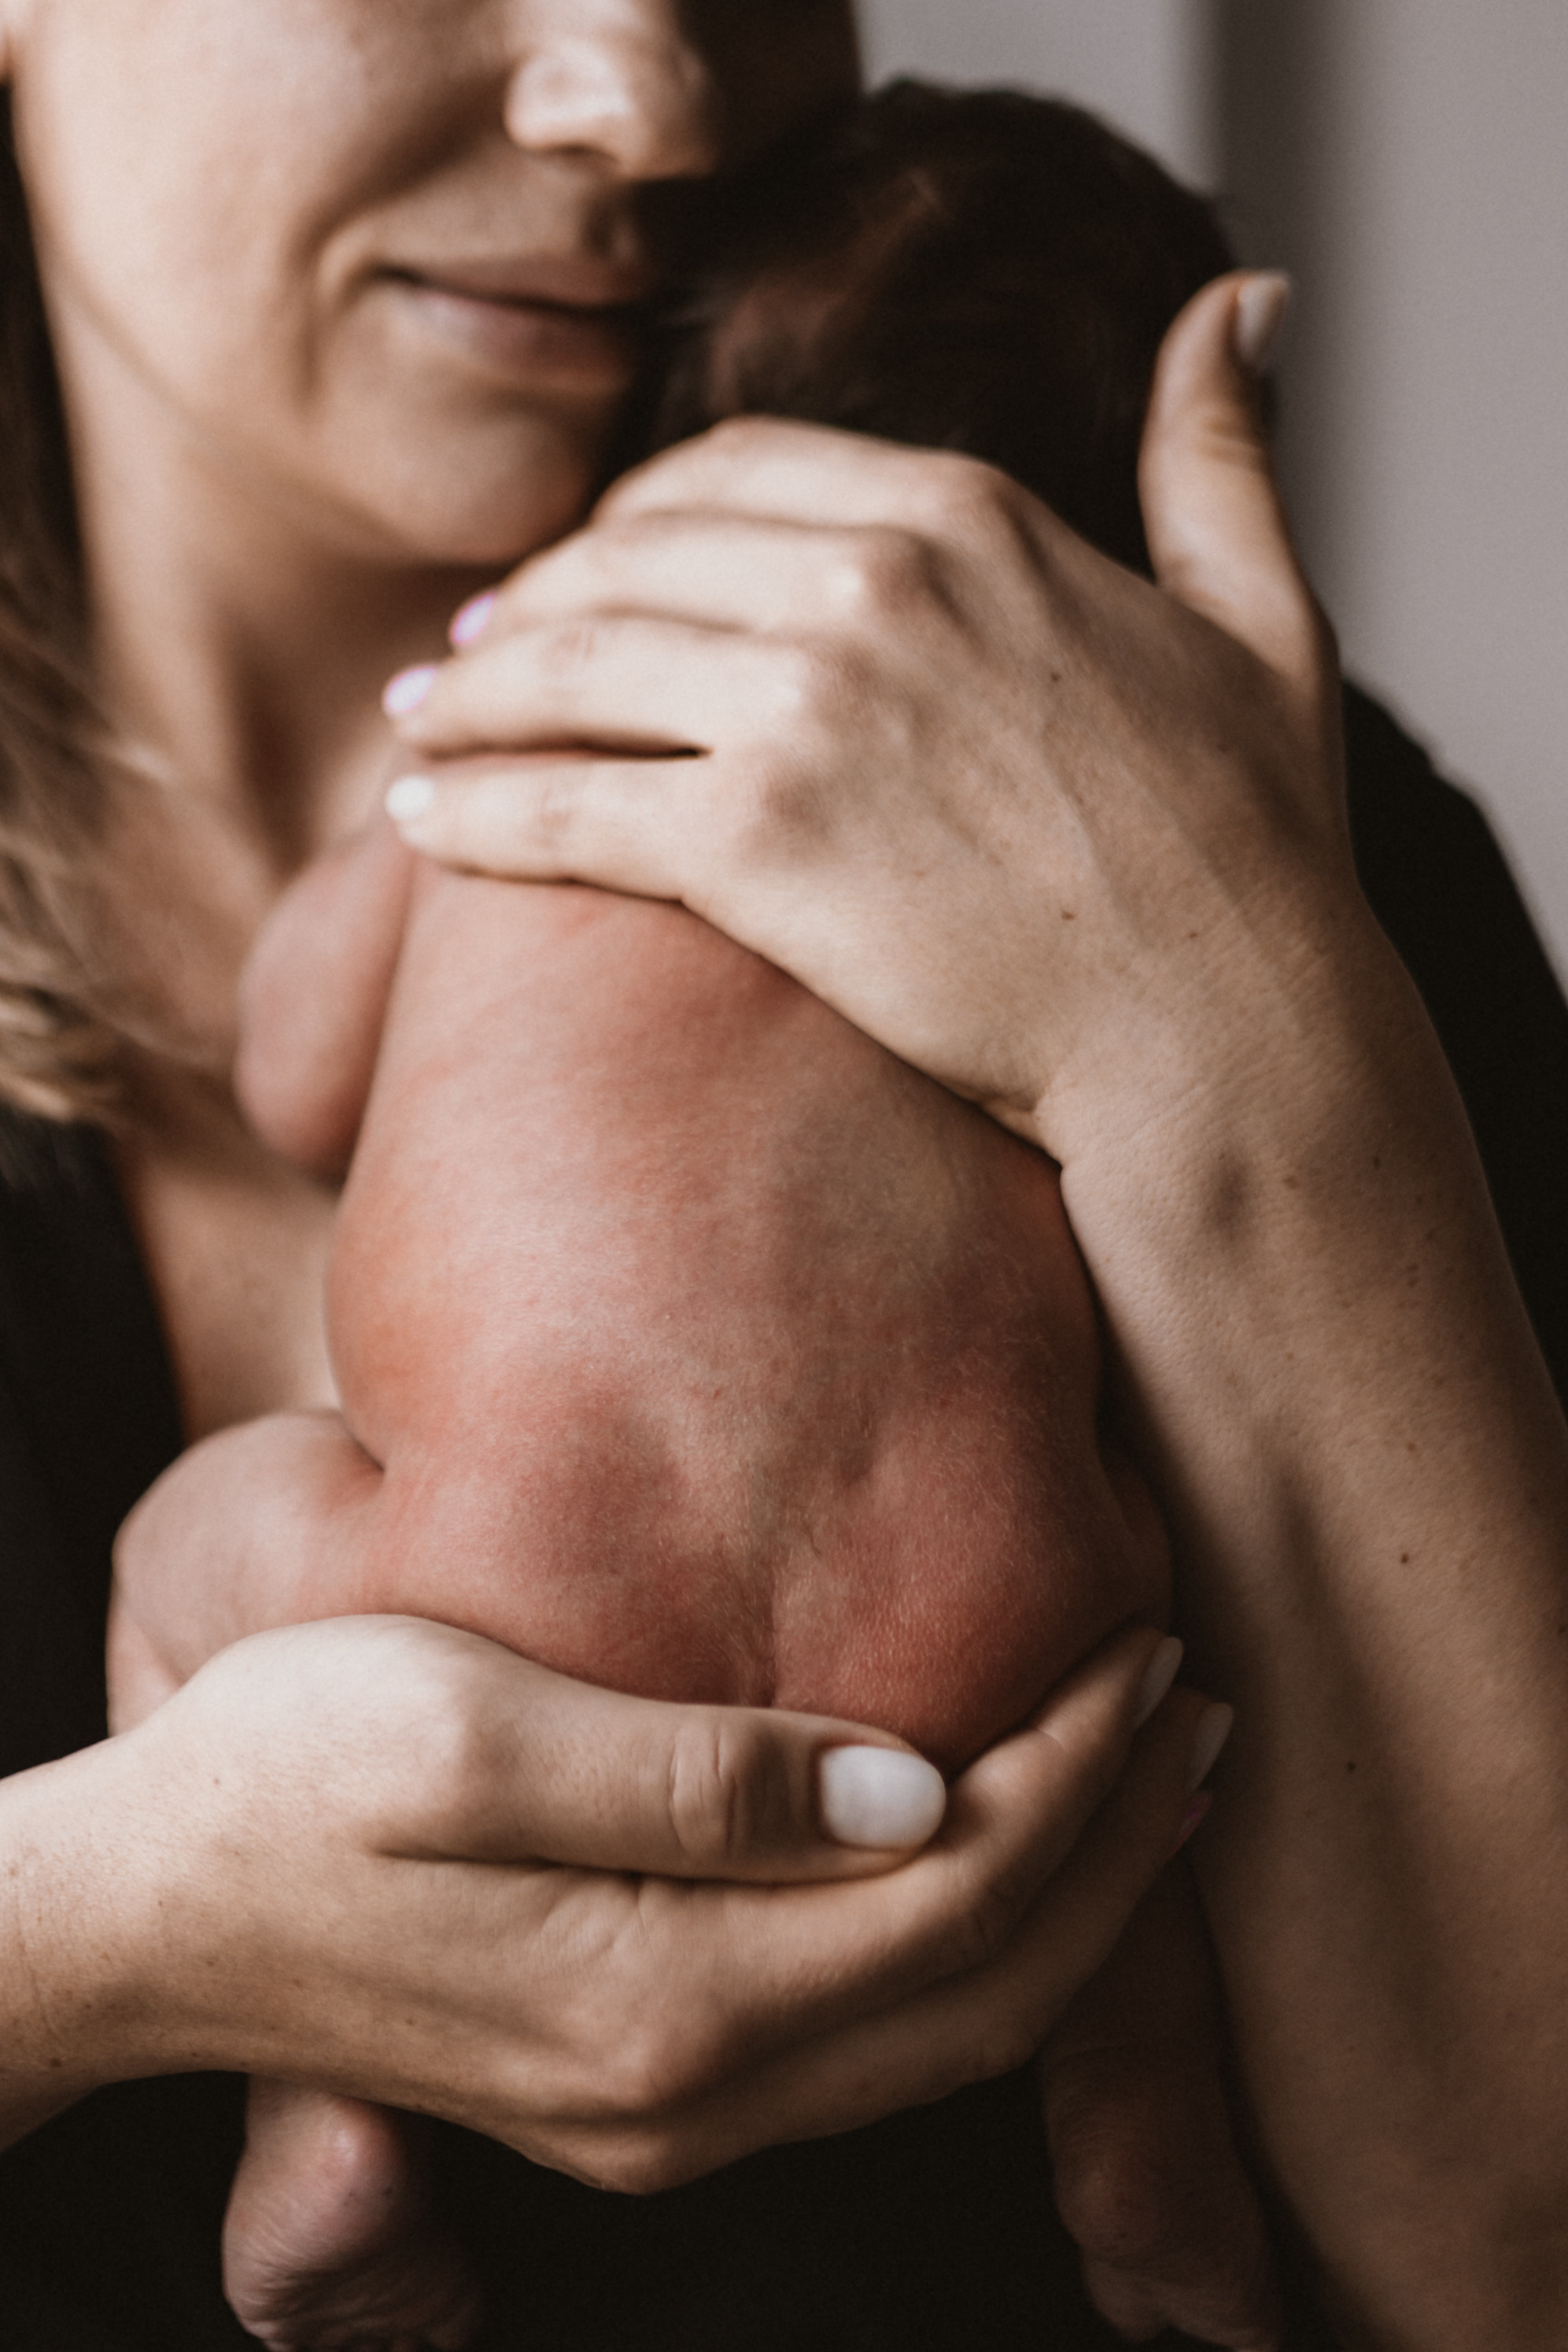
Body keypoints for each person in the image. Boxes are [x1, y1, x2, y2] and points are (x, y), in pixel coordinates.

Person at [0, 6, 1565, 2351]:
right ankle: (1148, 2170)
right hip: (1018, 1634)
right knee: (1136, 1773)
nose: (648, 103)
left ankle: (319, 2155)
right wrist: (110, 1921)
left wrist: (1242, 1038)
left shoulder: (1226, 822)